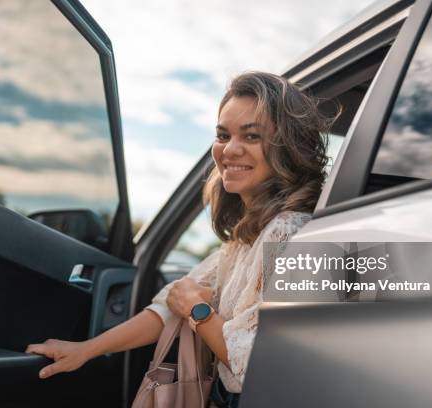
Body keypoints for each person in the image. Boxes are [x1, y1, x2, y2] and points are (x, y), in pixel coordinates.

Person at [26, 71, 331, 407]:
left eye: (252, 136)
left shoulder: (288, 231)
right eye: (222, 135)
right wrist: (87, 350)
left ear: (286, 148)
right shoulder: (245, 238)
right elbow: (168, 306)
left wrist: (197, 311)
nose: (230, 149)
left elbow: (254, 363)